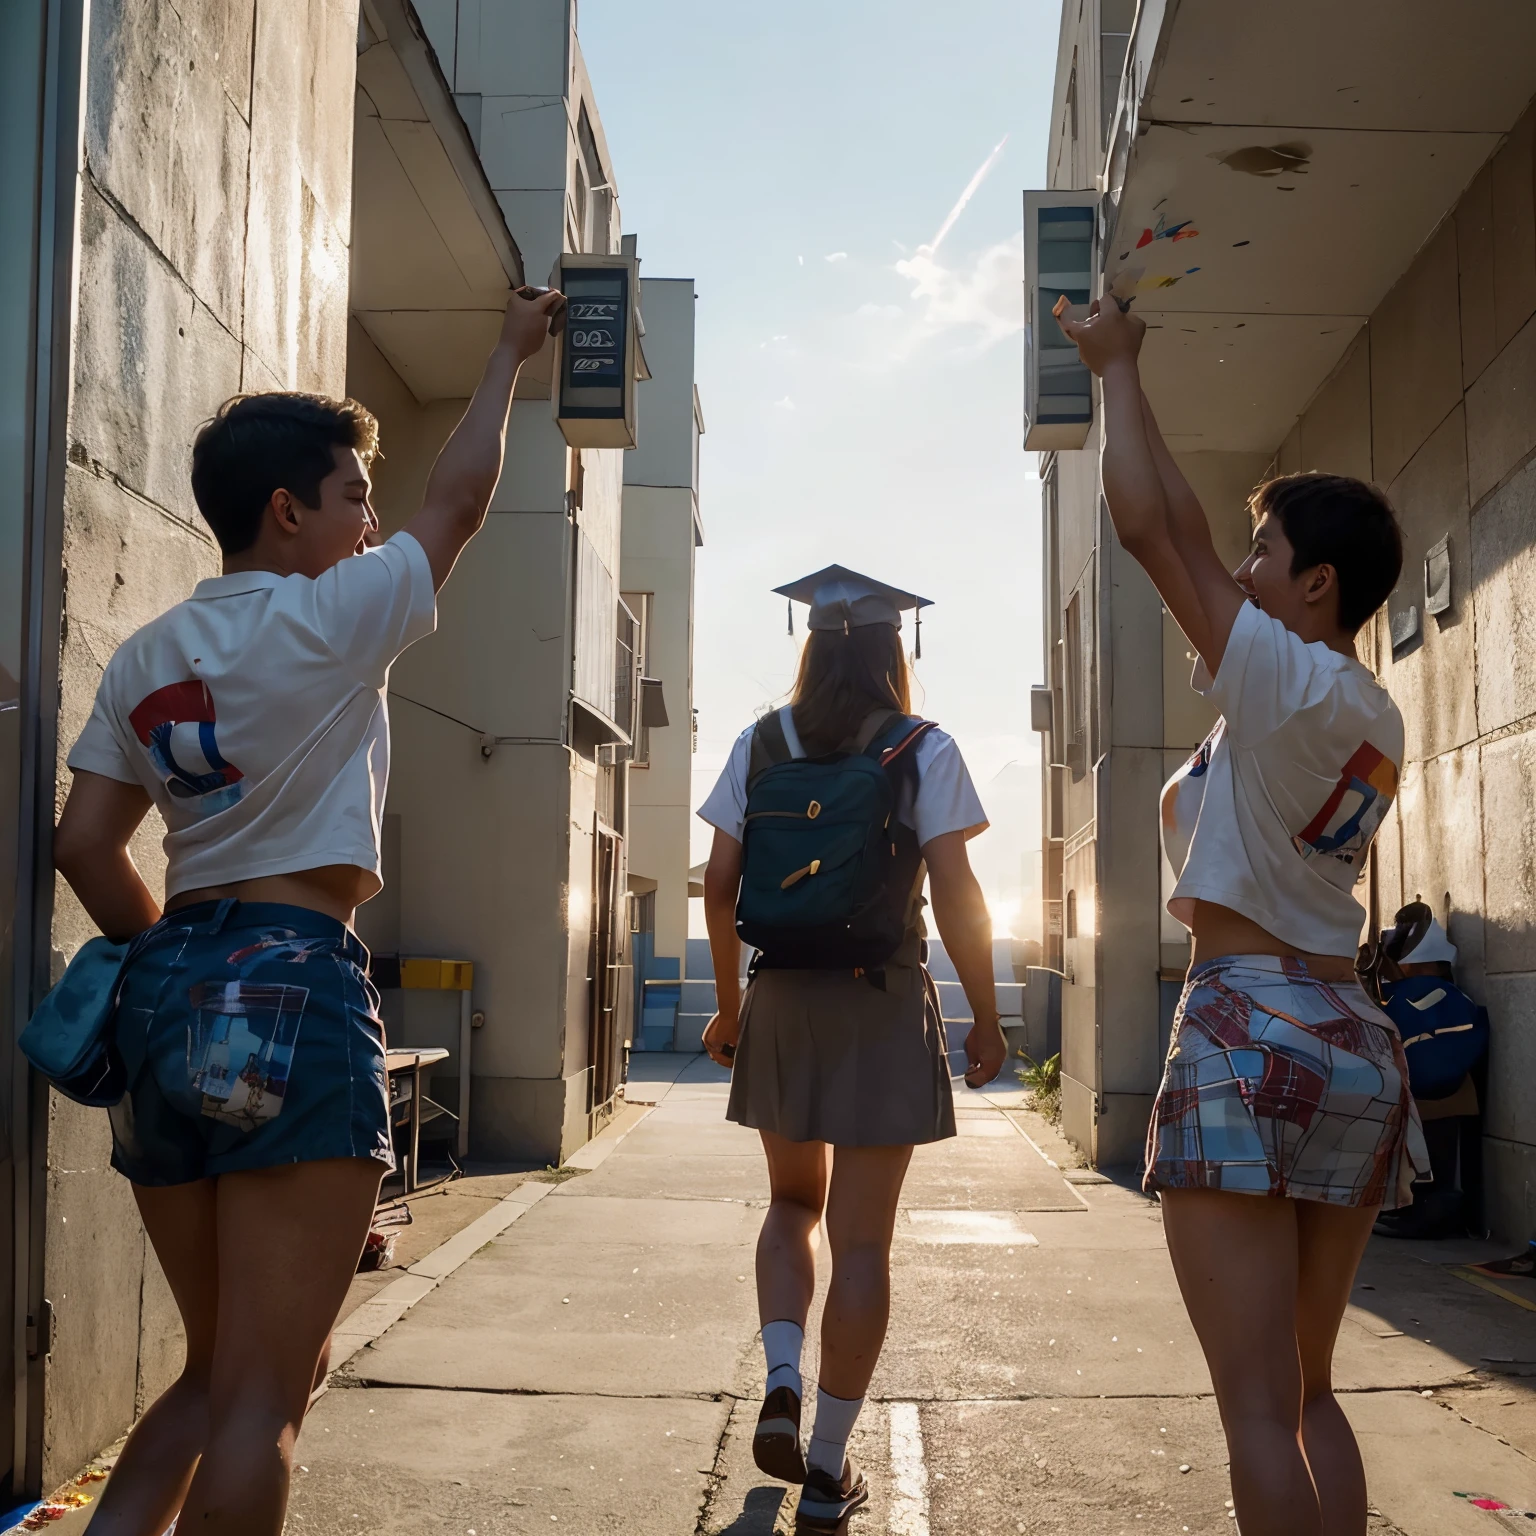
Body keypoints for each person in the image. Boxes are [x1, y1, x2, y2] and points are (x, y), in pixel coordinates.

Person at [51, 287, 565, 1536]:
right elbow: (459, 503)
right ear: (287, 512)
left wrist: (170, 954)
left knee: (215, 1373)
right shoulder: (334, 618)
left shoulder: (141, 655)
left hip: (161, 994)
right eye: (352, 499)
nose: (372, 522)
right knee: (269, 1396)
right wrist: (505, 351)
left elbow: (84, 845)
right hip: (294, 979)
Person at [1056, 297, 1427, 1536]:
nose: (1243, 569)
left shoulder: (1283, 678)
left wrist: (1113, 373)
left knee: (1256, 1413)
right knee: (1312, 1393)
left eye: (1267, 556)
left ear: (1316, 587)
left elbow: (1150, 530)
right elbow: (1190, 529)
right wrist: (1137, 373)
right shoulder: (1358, 707)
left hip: (1249, 1023)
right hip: (1351, 1036)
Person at [698, 566, 1007, 1535]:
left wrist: (727, 1010)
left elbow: (717, 884)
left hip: (781, 996)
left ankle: (781, 1374)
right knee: (863, 1241)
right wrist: (986, 1018)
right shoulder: (924, 745)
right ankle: (827, 1466)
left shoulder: (761, 741)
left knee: (793, 1204)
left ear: (811, 647)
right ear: (892, 653)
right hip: (882, 1000)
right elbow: (957, 893)